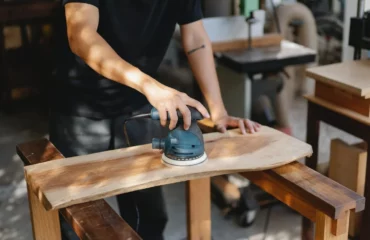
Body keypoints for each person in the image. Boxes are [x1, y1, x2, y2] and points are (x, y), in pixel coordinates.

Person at [50, 0, 261, 239]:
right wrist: (150, 86)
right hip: (79, 108)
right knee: (73, 218)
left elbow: (195, 39)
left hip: (138, 104)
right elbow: (81, 34)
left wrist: (218, 111)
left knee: (149, 217)